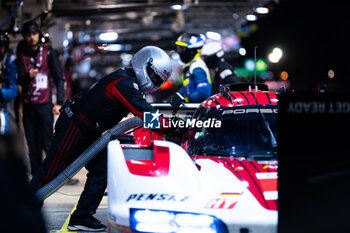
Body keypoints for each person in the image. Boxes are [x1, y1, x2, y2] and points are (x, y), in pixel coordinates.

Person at [30, 46, 177, 232]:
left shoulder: (128, 80)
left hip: (88, 131)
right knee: (49, 173)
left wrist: (169, 125)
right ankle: (22, 215)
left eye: (159, 81)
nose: (154, 83)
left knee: (102, 167)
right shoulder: (124, 84)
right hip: (75, 128)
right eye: (154, 77)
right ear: (143, 65)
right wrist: (174, 126)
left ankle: (82, 217)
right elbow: (146, 114)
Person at [16, 20, 65, 176]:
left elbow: (58, 77)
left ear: (39, 34)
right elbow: (19, 80)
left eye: (34, 34)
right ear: (24, 37)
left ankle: (54, 175)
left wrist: (60, 102)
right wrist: (27, 76)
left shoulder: (48, 52)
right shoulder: (22, 55)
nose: (32, 37)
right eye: (28, 35)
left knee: (47, 143)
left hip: (45, 105)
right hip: (29, 105)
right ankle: (37, 179)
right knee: (32, 145)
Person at [175, 33, 212, 102]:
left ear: (191, 50)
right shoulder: (191, 65)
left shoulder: (197, 67)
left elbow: (202, 93)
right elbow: (186, 90)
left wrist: (186, 101)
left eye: (181, 48)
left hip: (197, 110)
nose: (179, 51)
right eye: (178, 48)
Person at [0, 30, 18, 135]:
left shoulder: (9, 65)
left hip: (1, 107)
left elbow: (13, 91)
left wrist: (1, 93)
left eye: (2, 46)